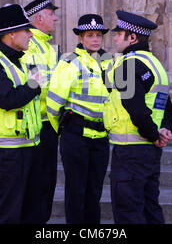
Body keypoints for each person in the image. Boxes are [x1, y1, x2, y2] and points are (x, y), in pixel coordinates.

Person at [104, 10, 172, 224]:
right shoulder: (155, 64)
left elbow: (134, 108)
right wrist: (163, 131)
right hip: (149, 152)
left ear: (132, 38)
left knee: (128, 213)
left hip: (130, 151)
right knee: (149, 209)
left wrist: (154, 135)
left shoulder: (127, 65)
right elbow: (167, 109)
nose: (115, 37)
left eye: (119, 33)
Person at [0, 4, 44, 224]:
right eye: (26, 30)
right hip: (10, 152)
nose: (30, 34)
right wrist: (34, 85)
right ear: (11, 33)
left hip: (32, 148)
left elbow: (40, 89)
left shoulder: (26, 60)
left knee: (32, 212)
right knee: (8, 214)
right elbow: (9, 100)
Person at [46, 14, 113, 224]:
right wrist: (64, 129)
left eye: (98, 35)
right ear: (81, 38)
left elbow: (117, 98)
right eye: (90, 35)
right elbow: (54, 101)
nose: (95, 39)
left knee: (94, 191)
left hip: (101, 136)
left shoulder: (109, 61)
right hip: (76, 135)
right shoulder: (69, 61)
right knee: (76, 191)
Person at [21, 0, 60, 223]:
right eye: (51, 14)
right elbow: (37, 84)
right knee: (37, 185)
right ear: (38, 18)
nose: (56, 18)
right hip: (37, 125)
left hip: (50, 123)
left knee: (46, 184)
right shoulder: (31, 47)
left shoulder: (47, 46)